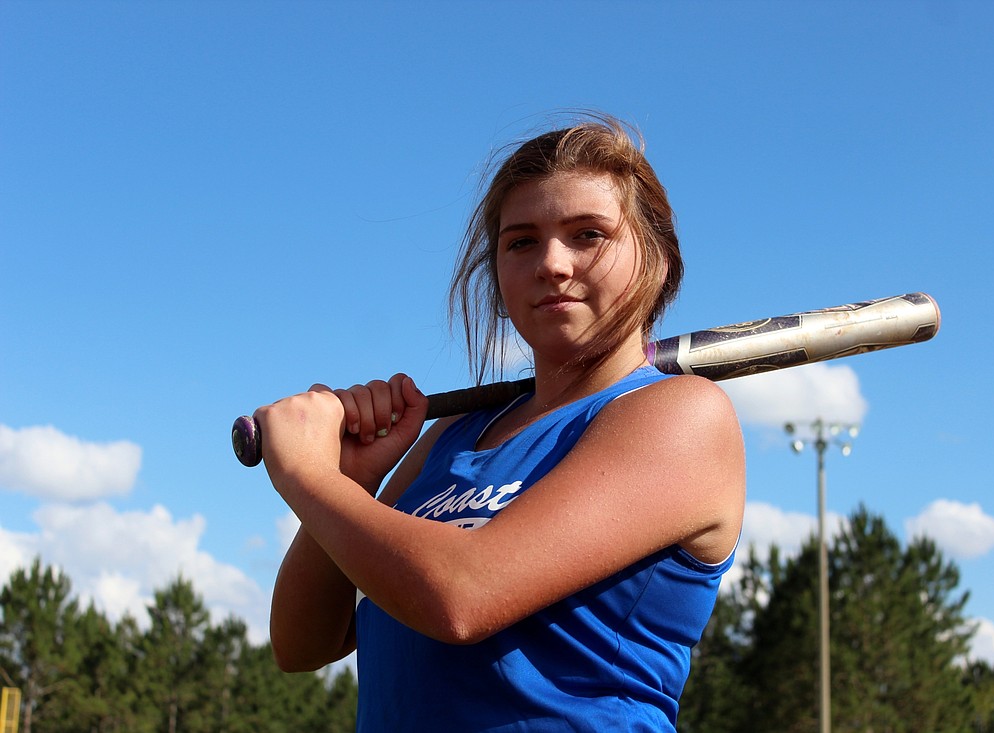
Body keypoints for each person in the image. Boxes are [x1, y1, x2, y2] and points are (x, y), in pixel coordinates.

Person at [255, 113, 746, 732]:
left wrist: (305, 476)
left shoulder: (678, 416)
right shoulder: (452, 437)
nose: (552, 264)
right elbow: (302, 646)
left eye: (588, 234)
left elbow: (463, 596)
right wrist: (349, 483)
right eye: (521, 241)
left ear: (659, 260)